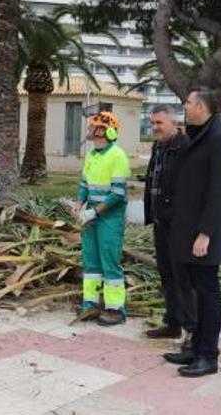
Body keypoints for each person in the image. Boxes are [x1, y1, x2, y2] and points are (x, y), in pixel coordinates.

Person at [163, 89, 221, 378]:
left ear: (203, 107)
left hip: (205, 234)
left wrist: (205, 233)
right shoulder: (198, 135)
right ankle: (195, 347)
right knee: (193, 291)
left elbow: (219, 192)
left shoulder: (220, 139)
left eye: (189, 102)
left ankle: (209, 355)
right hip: (188, 230)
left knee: (207, 293)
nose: (185, 106)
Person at [143, 105, 196, 344]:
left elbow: (190, 189)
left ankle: (191, 330)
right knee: (166, 274)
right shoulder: (159, 147)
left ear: (174, 123)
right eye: (153, 123)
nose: (154, 127)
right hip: (160, 221)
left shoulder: (184, 147)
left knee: (183, 278)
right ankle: (172, 323)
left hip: (178, 225)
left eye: (159, 123)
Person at [76, 111, 131, 326]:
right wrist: (80, 203)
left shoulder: (118, 156)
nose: (90, 131)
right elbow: (84, 184)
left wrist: (94, 211)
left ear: (108, 131)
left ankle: (115, 309)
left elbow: (117, 194)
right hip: (91, 214)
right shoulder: (91, 154)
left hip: (110, 218)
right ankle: (90, 303)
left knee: (109, 263)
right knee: (91, 261)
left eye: (95, 127)